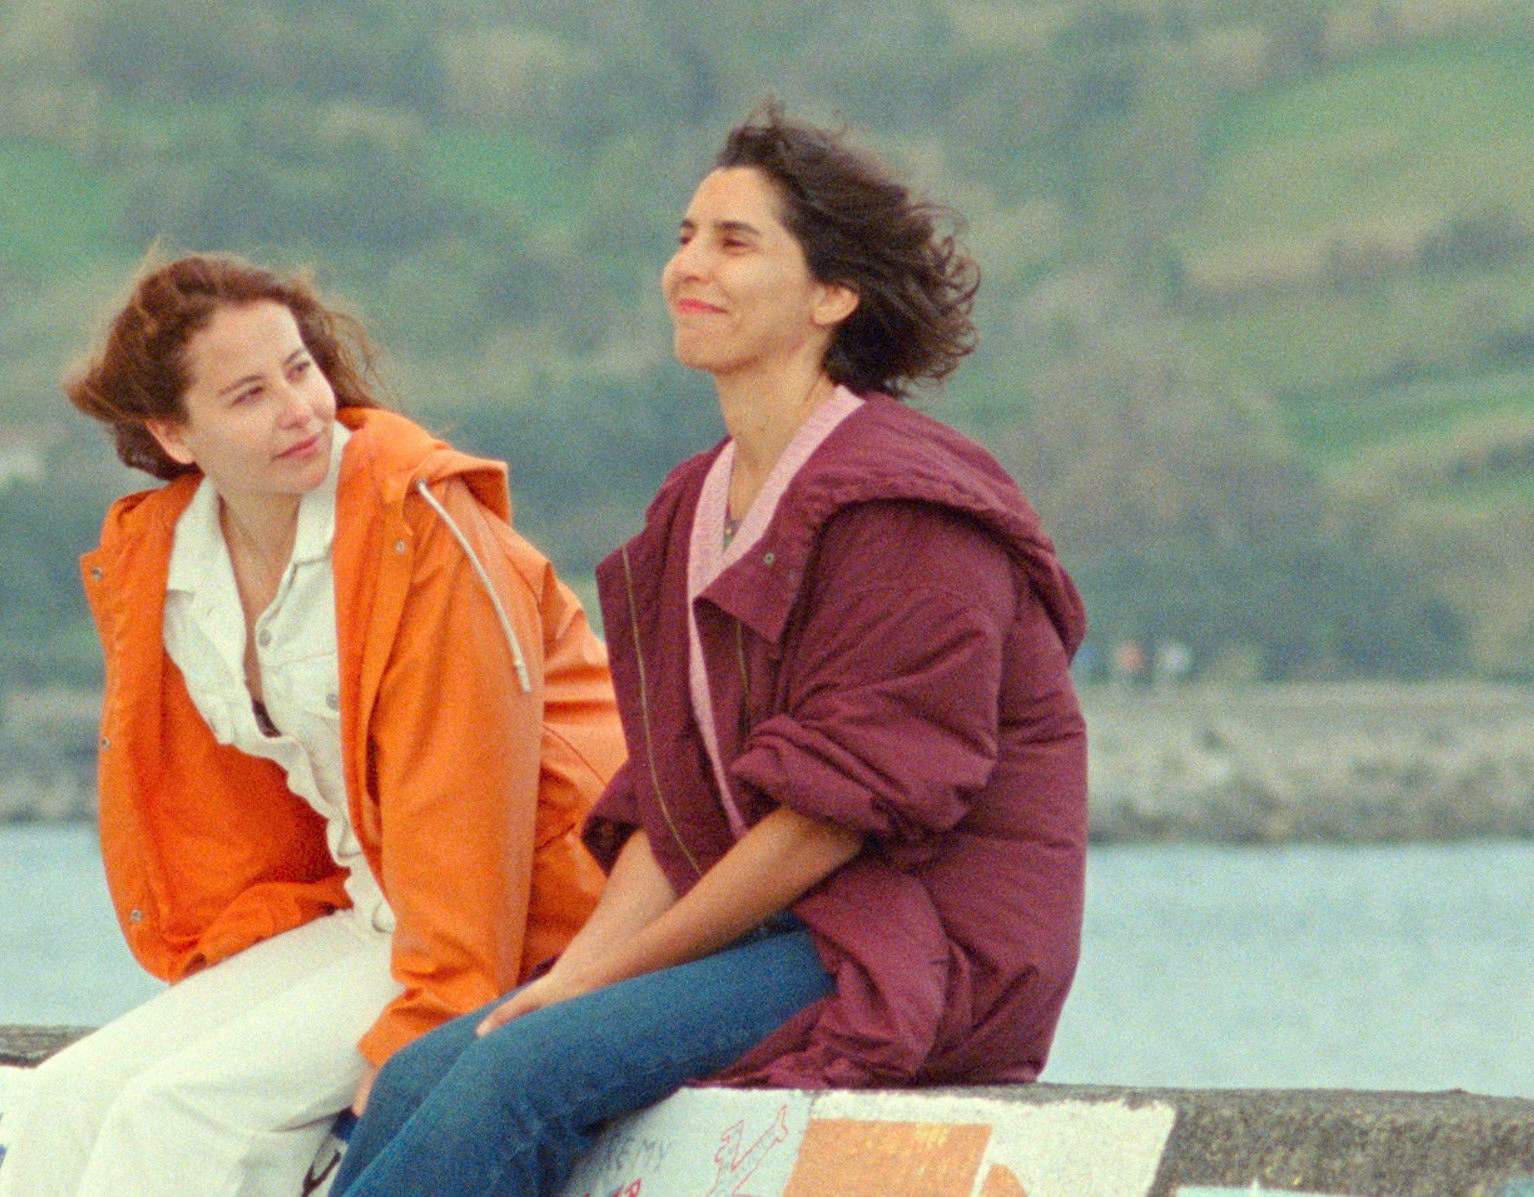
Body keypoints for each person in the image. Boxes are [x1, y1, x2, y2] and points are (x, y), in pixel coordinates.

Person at [331, 105, 1090, 1197]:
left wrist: (605, 985)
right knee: (426, 1071)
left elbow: (831, 814)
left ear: (832, 295)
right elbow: (674, 800)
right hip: (775, 926)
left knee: (522, 1074)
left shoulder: (907, 509)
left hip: (909, 945)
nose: (687, 266)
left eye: (735, 242)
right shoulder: (696, 503)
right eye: (686, 236)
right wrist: (573, 977)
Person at [5, 254, 624, 1197]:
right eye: (249, 394)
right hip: (374, 906)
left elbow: (470, 807)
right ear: (174, 433)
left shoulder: (421, 525)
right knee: (63, 1099)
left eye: (300, 369)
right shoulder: (168, 564)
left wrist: (426, 1026)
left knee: (181, 1113)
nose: (299, 409)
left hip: (539, 909)